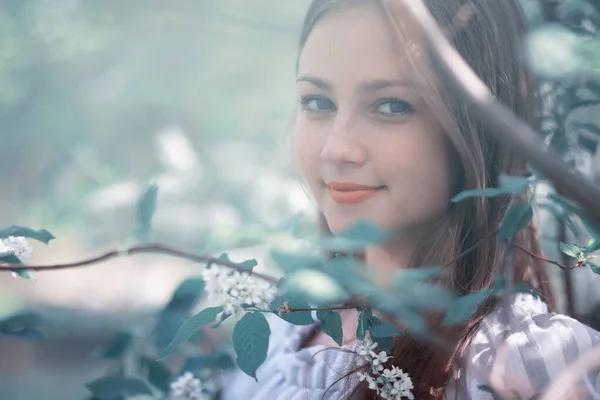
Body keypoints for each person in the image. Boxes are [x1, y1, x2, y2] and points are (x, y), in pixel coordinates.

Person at [220, 0, 600, 399]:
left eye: (391, 105)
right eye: (317, 102)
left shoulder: (529, 364)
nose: (336, 148)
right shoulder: (288, 321)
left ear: (477, 129)